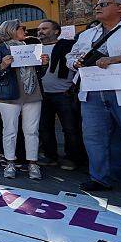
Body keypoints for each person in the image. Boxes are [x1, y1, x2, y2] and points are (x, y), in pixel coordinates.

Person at [67, 0, 121, 191]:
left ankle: (118, 173)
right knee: (94, 136)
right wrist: (74, 62)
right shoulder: (86, 34)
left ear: (120, 7)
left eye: (103, 4)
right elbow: (71, 55)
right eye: (97, 5)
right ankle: (100, 178)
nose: (97, 8)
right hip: (92, 91)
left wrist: (118, 59)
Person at [0, 20, 49, 180]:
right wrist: (2, 66)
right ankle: (10, 163)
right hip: (8, 95)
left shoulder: (30, 48)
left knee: (32, 131)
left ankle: (33, 164)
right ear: (10, 30)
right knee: (10, 130)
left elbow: (39, 74)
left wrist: (43, 65)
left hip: (33, 93)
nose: (25, 30)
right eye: (21, 28)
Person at [36, 19, 85, 171]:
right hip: (42, 94)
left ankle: (71, 158)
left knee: (70, 128)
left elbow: (78, 68)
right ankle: (51, 156)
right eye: (39, 29)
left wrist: (72, 87)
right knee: (45, 127)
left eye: (44, 28)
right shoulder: (34, 49)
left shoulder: (68, 46)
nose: (40, 31)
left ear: (56, 31)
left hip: (64, 94)